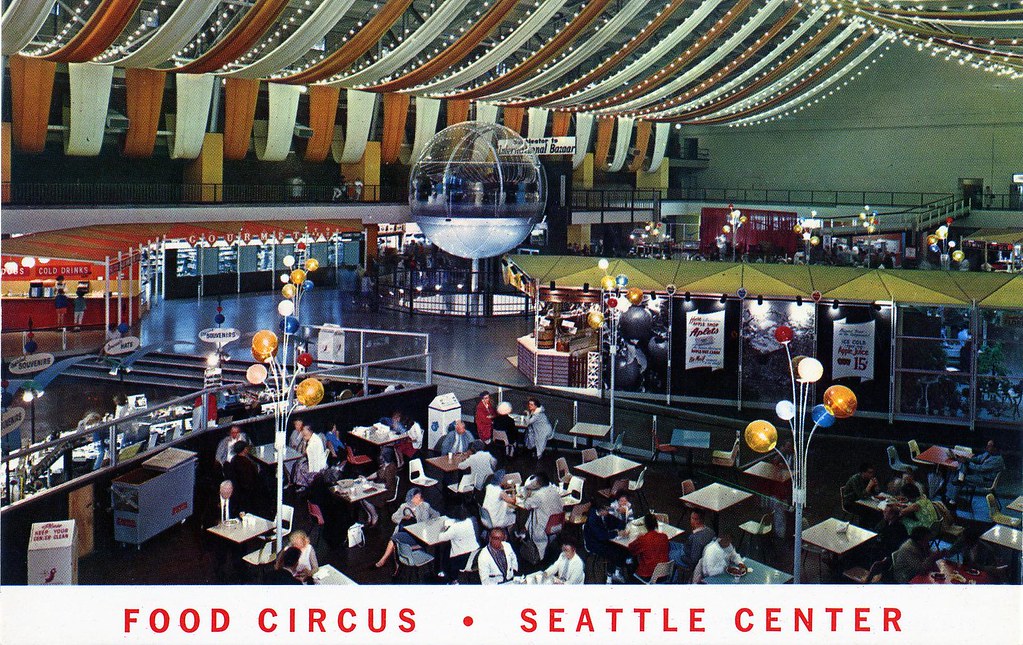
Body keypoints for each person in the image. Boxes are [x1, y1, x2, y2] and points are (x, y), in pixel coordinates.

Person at [374, 488, 439, 569]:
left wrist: (430, 522)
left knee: (396, 541)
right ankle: (386, 560)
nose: (419, 499)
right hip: (408, 533)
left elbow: (436, 514)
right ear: (411, 498)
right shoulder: (404, 506)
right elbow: (393, 517)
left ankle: (396, 562)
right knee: (395, 539)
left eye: (419, 497)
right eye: (416, 497)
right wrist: (403, 517)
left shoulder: (425, 505)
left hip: (421, 534)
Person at [946, 440, 1005, 507]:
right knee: (959, 470)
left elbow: (980, 468)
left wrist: (967, 462)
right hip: (979, 475)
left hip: (985, 480)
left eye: (989, 446)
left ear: (995, 448)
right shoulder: (988, 454)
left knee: (957, 475)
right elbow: (977, 459)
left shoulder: (997, 460)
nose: (986, 447)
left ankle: (952, 501)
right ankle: (960, 479)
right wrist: (966, 459)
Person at [522, 473, 564, 562]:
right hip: (558, 524)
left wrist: (528, 495)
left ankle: (538, 555)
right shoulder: (554, 490)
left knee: (532, 517)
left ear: (538, 483)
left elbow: (526, 506)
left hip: (545, 528)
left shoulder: (538, 496)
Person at [583, 501, 628, 582]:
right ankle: (609, 577)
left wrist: (622, 521)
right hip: (594, 543)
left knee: (622, 549)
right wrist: (617, 533)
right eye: (607, 510)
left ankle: (617, 572)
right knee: (613, 553)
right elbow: (600, 536)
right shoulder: (592, 520)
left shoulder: (604, 515)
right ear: (602, 510)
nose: (609, 512)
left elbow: (615, 521)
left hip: (604, 540)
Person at [224, 441, 270, 517]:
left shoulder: (234, 459)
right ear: (244, 449)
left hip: (241, 489)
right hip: (248, 491)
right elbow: (251, 478)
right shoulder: (245, 464)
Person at [670, 509, 716, 581]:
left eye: (691, 518)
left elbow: (693, 560)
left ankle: (672, 578)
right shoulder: (711, 531)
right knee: (671, 544)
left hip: (686, 557)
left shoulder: (696, 539)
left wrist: (681, 555)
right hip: (687, 548)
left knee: (669, 553)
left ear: (695, 520)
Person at [437, 507, 480, 581]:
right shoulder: (470, 521)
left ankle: (450, 576)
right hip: (474, 553)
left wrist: (443, 529)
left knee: (447, 550)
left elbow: (441, 538)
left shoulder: (454, 528)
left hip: (463, 558)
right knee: (449, 547)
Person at [628, 514, 669, 582]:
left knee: (631, 562)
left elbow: (631, 548)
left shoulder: (643, 539)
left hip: (648, 575)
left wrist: (637, 538)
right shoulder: (664, 537)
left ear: (645, 525)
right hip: (664, 573)